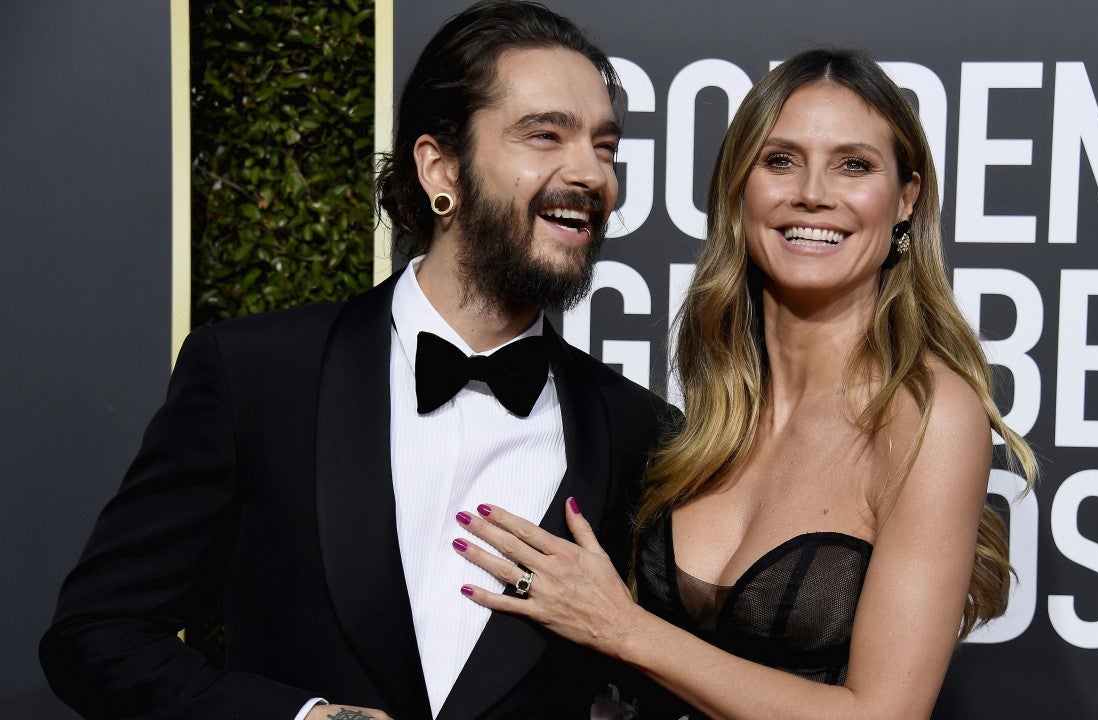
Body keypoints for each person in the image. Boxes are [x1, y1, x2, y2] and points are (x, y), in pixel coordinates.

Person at [40, 2, 675, 719]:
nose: (591, 173)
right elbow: (96, 635)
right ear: (441, 167)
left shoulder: (641, 434)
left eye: (605, 147)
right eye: (545, 135)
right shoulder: (256, 375)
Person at [451, 47, 1038, 719]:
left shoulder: (926, 414)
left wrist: (622, 628)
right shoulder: (707, 413)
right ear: (739, 188)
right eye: (780, 160)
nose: (813, 192)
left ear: (905, 199)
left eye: (853, 165)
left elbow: (884, 714)